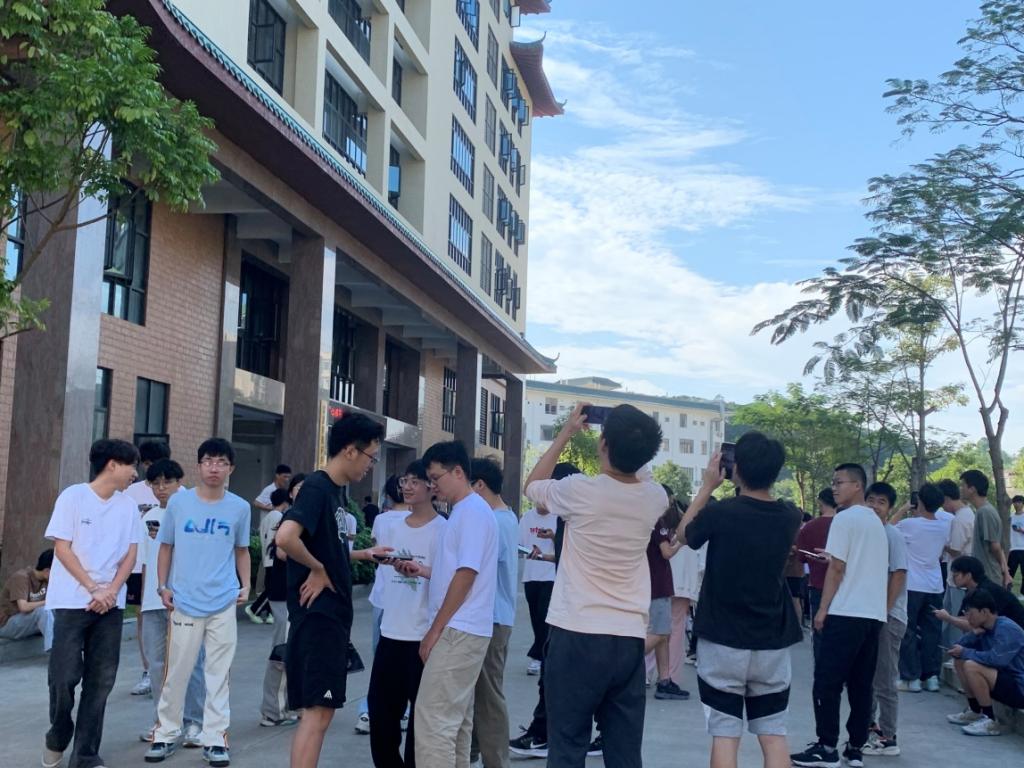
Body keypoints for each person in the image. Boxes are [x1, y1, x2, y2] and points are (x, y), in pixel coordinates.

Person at [524, 403, 667, 768]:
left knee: (567, 747)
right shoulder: (655, 498)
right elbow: (641, 470)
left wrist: (567, 432)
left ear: (603, 444)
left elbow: (532, 486)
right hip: (628, 638)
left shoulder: (578, 490)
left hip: (577, 633)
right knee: (624, 752)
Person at [678, 431, 801, 768]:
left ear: (737, 468)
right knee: (773, 731)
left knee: (725, 732)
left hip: (722, 637)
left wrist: (707, 487)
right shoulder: (790, 515)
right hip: (772, 638)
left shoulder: (722, 512)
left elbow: (683, 535)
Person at [275, 413, 389, 768]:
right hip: (318, 620)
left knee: (321, 715)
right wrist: (318, 568)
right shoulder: (317, 488)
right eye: (371, 456)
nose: (371, 465)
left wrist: (361, 554)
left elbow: (323, 546)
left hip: (331, 619)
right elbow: (285, 539)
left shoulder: (335, 493)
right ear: (351, 451)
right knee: (316, 714)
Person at [145, 439, 251, 768]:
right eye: (208, 461)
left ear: (231, 468)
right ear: (199, 465)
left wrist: (246, 585)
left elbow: (242, 550)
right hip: (185, 600)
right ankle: (166, 733)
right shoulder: (179, 503)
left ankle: (215, 739)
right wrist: (163, 586)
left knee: (218, 673)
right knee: (177, 671)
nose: (214, 468)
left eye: (221, 462)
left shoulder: (239, 507)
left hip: (223, 601)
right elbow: (166, 546)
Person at [42, 438, 141, 768]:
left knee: (100, 682)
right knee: (63, 676)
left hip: (110, 606)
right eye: (130, 466)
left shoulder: (128, 507)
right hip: (71, 601)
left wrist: (110, 591)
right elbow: (62, 548)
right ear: (112, 464)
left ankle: (85, 755)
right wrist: (92, 588)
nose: (135, 473)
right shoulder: (73, 497)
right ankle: (59, 733)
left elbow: (130, 555)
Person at [399, 441, 497, 768]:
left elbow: (467, 574)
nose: (432, 486)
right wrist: (425, 570)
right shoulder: (465, 512)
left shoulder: (472, 512)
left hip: (458, 630)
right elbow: (458, 572)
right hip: (463, 628)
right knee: (455, 721)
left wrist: (434, 631)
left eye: (435, 478)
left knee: (433, 722)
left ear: (458, 472)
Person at [791, 463, 889, 768]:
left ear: (857, 486)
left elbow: (837, 568)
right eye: (833, 483)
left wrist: (822, 609)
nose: (834, 488)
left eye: (839, 482)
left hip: (845, 611)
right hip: (872, 614)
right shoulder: (876, 522)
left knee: (827, 682)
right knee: (861, 684)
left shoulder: (844, 519)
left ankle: (826, 746)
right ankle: (855, 747)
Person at [366, 460, 446, 768]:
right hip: (390, 631)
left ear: (431, 487)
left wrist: (421, 569)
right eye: (404, 481)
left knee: (420, 724)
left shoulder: (443, 530)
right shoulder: (392, 526)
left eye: (415, 481)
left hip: (424, 637)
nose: (407, 487)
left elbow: (452, 579)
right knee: (381, 715)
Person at [137, 458, 207, 746]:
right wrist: (143, 601)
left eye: (167, 482)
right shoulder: (148, 516)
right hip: (153, 603)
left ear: (180, 482)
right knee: (157, 666)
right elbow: (144, 562)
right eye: (155, 483)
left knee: (191, 662)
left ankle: (194, 722)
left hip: (185, 601)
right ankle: (164, 722)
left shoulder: (193, 512)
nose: (161, 488)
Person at [465, 457, 517, 768]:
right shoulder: (506, 517)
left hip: (492, 618)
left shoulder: (494, 522)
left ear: (479, 485)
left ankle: (496, 761)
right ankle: (473, 753)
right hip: (495, 616)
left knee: (488, 696)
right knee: (480, 693)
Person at [357, 473, 412, 735]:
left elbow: (375, 548)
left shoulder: (381, 520)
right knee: (408, 659)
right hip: (408, 597)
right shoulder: (420, 520)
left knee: (380, 657)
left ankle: (370, 711)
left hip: (381, 596)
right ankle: (405, 710)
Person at [890, 483, 950, 693]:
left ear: (920, 502)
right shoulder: (944, 526)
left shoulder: (909, 525)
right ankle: (931, 676)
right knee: (932, 631)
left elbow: (887, 527)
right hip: (935, 585)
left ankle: (911, 678)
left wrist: (903, 508)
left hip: (912, 585)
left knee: (907, 630)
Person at [863, 482, 908, 757]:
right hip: (870, 615)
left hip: (888, 618)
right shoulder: (867, 533)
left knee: (884, 679)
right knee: (867, 677)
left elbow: (899, 574)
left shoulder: (892, 535)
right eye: (871, 500)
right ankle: (869, 730)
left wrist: (884, 611)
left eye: (881, 502)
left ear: (890, 508)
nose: (874, 506)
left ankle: (888, 738)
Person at [124, 439, 172, 696]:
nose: (160, 486)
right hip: (138, 564)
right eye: (149, 464)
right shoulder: (132, 492)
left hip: (168, 570)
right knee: (144, 614)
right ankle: (148, 671)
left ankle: (169, 673)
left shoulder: (179, 493)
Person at [945, 588, 1024, 736]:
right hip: (1003, 681)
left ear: (985, 612)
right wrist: (972, 635)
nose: (967, 618)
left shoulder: (1007, 629)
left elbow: (997, 659)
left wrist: (965, 651)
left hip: (1019, 687)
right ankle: (975, 711)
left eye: (970, 613)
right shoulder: (983, 628)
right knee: (960, 660)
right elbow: (957, 648)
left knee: (971, 665)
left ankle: (990, 720)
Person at [259, 485, 300, 729]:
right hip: (284, 594)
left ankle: (291, 705)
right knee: (282, 652)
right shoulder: (291, 517)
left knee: (294, 651)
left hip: (296, 596)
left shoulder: (301, 515)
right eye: (299, 488)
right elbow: (283, 552)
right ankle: (274, 710)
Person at [646, 501, 688, 701]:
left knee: (662, 635)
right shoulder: (658, 523)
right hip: (658, 586)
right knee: (660, 633)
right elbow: (667, 552)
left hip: (651, 584)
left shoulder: (646, 521)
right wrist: (682, 542)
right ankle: (620, 663)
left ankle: (665, 680)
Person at [796, 488, 838, 664]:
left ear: (820, 502)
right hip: (844, 586)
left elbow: (801, 557)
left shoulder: (810, 527)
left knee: (820, 631)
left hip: (818, 585)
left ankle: (822, 669)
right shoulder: (845, 524)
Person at [935, 555, 1024, 630]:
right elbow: (964, 617)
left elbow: (976, 627)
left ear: (968, 575)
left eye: (956, 575)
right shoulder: (972, 590)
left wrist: (949, 618)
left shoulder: (985, 592)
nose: (953, 579)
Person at [518, 498, 556, 676]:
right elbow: (519, 543)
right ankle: (543, 654)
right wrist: (527, 551)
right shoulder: (527, 518)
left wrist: (552, 536)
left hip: (550, 575)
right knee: (535, 616)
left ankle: (538, 656)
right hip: (531, 575)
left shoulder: (557, 517)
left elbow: (564, 544)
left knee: (544, 615)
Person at [937, 479, 975, 649]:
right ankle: (946, 650)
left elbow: (956, 550)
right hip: (956, 578)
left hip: (959, 579)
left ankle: (955, 652)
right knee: (946, 616)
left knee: (955, 621)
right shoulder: (968, 513)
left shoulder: (960, 519)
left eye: (941, 503)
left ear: (946, 499)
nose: (942, 507)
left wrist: (941, 545)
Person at [248, 487, 292, 624]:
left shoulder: (267, 517)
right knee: (273, 589)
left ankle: (269, 614)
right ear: (284, 501)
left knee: (271, 587)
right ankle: (254, 609)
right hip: (274, 559)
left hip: (267, 558)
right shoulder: (279, 517)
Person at [961, 470, 1012, 587]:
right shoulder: (982, 511)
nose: (961, 489)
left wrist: (1005, 572)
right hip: (984, 577)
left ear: (972, 489)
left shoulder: (985, 512)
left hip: (989, 577)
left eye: (963, 485)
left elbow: (995, 547)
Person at [0, 548, 53, 649]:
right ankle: (56, 650)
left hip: (27, 622)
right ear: (47, 571)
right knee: (43, 611)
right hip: (7, 624)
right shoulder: (21, 577)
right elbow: (23, 607)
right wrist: (47, 602)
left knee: (59, 610)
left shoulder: (47, 581)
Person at [1009, 495, 1024, 593]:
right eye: (1015, 502)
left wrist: (1020, 530)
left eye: (1019, 502)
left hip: (1023, 548)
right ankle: (1007, 590)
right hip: (1012, 548)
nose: (1017, 504)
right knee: (1009, 571)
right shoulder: (1010, 517)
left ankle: (1023, 593)